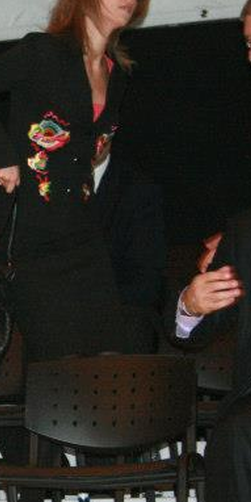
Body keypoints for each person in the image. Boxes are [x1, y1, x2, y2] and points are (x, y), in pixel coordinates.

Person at [0, 0, 150, 502]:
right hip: (31, 234)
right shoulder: (45, 52)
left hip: (81, 234)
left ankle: (72, 488)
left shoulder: (116, 71)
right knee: (50, 375)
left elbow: (93, 145)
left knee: (99, 358)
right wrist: (2, 153)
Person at [169, 0, 251, 502]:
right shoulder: (249, 230)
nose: (250, 58)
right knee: (238, 435)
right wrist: (189, 306)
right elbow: (191, 329)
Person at [91, 129, 166, 351]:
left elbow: (147, 284)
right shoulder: (40, 182)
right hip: (51, 320)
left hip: (116, 323)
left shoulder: (139, 190)